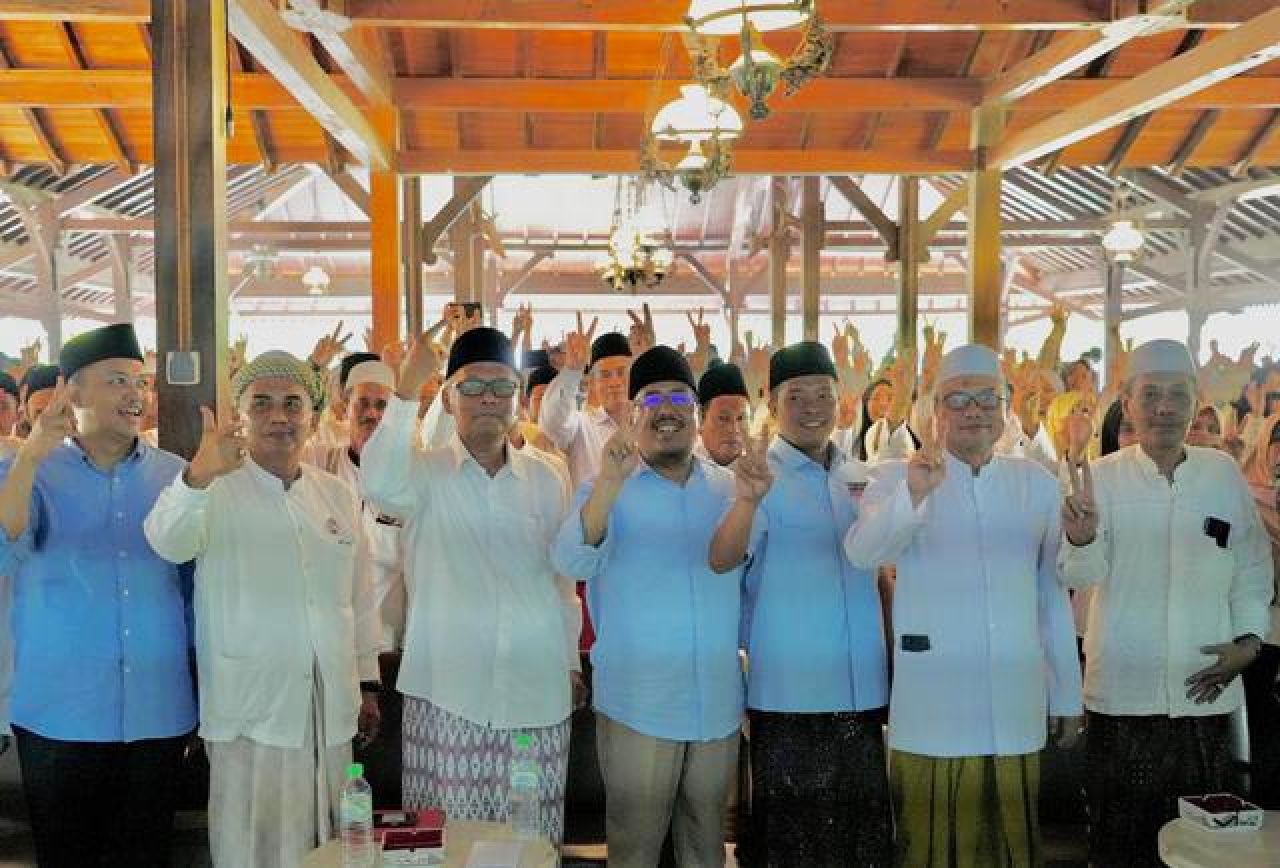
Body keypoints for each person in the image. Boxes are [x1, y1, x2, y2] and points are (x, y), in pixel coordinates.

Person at [845, 343, 1083, 868]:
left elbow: (1051, 594)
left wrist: (1066, 695)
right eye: (958, 400)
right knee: (927, 846)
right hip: (934, 703)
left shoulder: (1036, 484)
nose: (973, 410)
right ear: (935, 411)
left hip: (1014, 696)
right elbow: (863, 553)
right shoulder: (897, 475)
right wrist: (914, 494)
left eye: (986, 398)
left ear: (1005, 408)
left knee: (1010, 845)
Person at [145, 350, 381, 868]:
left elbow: (359, 597)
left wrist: (365, 681)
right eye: (263, 403)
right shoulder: (213, 487)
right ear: (241, 416)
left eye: (292, 402)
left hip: (329, 707)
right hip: (251, 708)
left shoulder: (337, 495)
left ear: (313, 416)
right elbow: (167, 541)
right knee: (253, 844)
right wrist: (197, 478)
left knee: (331, 842)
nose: (279, 415)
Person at [361, 325, 581, 844]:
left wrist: (570, 659)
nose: (488, 398)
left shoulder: (548, 477)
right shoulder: (421, 474)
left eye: (502, 387)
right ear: (448, 395)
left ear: (519, 400)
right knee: (449, 845)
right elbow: (378, 484)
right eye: (472, 386)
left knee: (532, 846)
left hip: (537, 695)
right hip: (448, 697)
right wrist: (405, 391)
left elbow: (562, 580)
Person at [1058, 339, 1273, 867]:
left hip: (1205, 692)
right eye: (1150, 394)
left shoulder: (1221, 474)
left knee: (1205, 846)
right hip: (1122, 697)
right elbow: (1081, 575)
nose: (1163, 407)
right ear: (1127, 404)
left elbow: (1250, 566)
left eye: (1177, 395)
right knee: (1121, 842)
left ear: (1195, 403)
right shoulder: (1103, 477)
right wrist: (1082, 538)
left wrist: (1250, 640)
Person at [0, 323, 196, 867]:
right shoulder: (30, 473)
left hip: (158, 713)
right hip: (61, 714)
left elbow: (194, 594)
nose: (136, 395)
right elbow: (4, 547)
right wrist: (31, 454)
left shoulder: (177, 478)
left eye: (141, 382)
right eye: (117, 380)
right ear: (72, 391)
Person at [553, 346, 744, 868]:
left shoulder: (731, 489)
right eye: (652, 398)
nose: (667, 408)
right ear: (634, 413)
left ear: (696, 413)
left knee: (706, 843)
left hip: (715, 700)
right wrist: (610, 485)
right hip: (641, 702)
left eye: (679, 396)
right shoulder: (604, 487)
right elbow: (571, 557)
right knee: (635, 846)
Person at [709, 341, 891, 866]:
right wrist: (747, 500)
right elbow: (723, 561)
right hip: (787, 693)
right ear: (772, 403)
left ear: (842, 400)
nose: (812, 407)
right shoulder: (757, 477)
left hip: (860, 689)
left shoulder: (863, 477)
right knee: (791, 842)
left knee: (859, 840)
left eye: (823, 394)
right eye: (797, 396)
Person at [308, 351, 409, 808]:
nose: (371, 414)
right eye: (362, 403)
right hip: (334, 649)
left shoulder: (414, 473)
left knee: (392, 775)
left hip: (397, 651)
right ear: (341, 410)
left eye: (382, 405)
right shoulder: (319, 464)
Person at [539, 321, 632, 486]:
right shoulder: (581, 426)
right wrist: (572, 371)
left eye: (621, 372)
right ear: (593, 382)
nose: (615, 382)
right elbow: (552, 423)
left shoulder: (649, 425)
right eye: (605, 375)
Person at [697, 360, 751, 467]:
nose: (734, 429)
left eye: (741, 418)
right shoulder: (682, 470)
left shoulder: (761, 471)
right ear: (701, 420)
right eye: (723, 418)